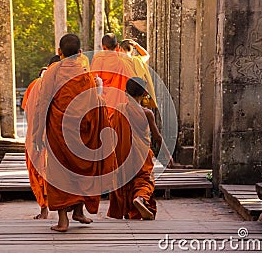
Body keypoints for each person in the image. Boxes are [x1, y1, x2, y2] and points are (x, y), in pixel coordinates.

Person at [32, 34, 117, 232]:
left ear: (59, 52)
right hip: (83, 132)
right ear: (80, 53)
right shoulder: (86, 73)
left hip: (59, 130)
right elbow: (95, 102)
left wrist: (37, 134)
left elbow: (42, 103)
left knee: (59, 172)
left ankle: (65, 220)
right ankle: (79, 210)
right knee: (81, 170)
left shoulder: (53, 72)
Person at [107, 77, 163, 220]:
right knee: (145, 179)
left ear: (126, 93)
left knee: (126, 180)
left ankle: (129, 206)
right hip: (142, 154)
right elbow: (157, 137)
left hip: (123, 154)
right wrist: (168, 156)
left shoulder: (119, 110)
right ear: (145, 93)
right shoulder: (147, 113)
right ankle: (140, 198)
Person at [22, 55, 61, 219]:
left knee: (38, 171)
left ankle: (44, 208)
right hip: (56, 137)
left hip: (36, 136)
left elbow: (26, 111)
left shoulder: (35, 85)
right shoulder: (64, 86)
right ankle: (64, 213)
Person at [91, 33, 136, 116]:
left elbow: (93, 83)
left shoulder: (98, 59)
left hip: (102, 105)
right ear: (117, 46)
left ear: (103, 47)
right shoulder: (122, 62)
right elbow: (132, 83)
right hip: (119, 107)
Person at [120, 39, 157, 108]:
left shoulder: (119, 61)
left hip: (125, 94)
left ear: (121, 49)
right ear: (132, 51)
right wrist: (136, 45)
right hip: (139, 94)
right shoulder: (139, 60)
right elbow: (146, 55)